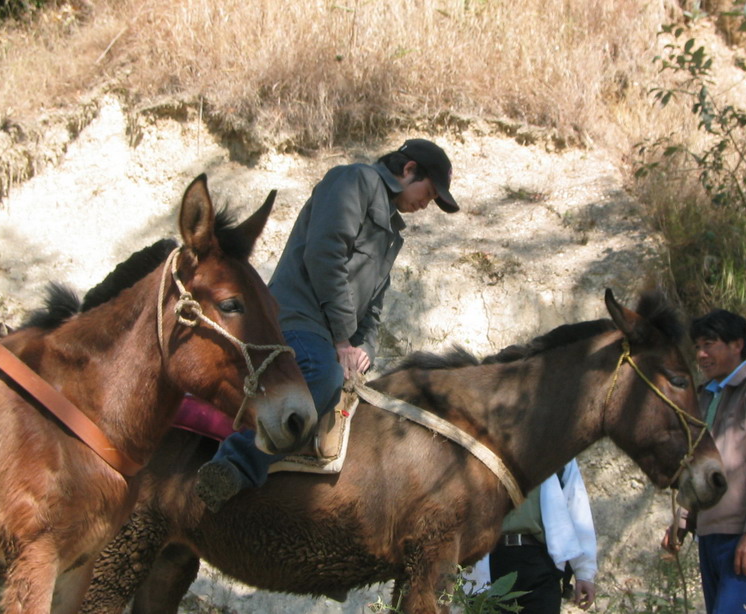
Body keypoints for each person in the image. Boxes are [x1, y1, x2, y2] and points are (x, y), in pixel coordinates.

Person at [194, 138, 460, 512]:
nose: (426, 204)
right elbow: (325, 256)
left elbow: (374, 310)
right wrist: (341, 340)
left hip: (334, 337)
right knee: (322, 376)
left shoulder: (392, 235)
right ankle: (232, 465)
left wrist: (362, 353)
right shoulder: (354, 181)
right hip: (295, 320)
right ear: (408, 169)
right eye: (428, 192)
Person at [661, 309, 746, 614]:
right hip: (711, 534)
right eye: (697, 347)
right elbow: (702, 467)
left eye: (710, 344)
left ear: (737, 344)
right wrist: (682, 521)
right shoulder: (708, 396)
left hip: (745, 537)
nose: (701, 354)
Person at [480, 458, 597, 613]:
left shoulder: (554, 445)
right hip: (489, 560)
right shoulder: (479, 440)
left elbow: (576, 502)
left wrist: (584, 572)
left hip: (540, 561)